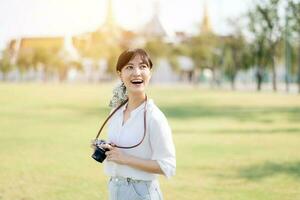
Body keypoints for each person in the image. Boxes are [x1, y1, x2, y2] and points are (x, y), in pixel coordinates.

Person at [92, 48, 176, 200]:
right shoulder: (116, 111)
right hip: (115, 189)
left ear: (150, 73)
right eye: (129, 67)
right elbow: (122, 149)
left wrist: (125, 159)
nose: (137, 72)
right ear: (120, 74)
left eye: (143, 66)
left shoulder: (155, 117)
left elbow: (168, 166)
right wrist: (106, 148)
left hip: (142, 192)